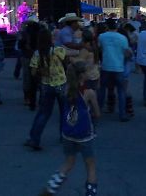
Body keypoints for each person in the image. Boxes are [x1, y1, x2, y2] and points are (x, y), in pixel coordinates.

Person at [39, 61, 100, 196]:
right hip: (85, 135)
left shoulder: (66, 89)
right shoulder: (89, 92)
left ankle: (50, 188)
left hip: (68, 133)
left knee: (68, 162)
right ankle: (90, 193)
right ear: (82, 75)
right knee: (90, 166)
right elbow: (97, 114)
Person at [25, 27, 67, 150]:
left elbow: (32, 72)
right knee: (64, 112)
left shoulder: (37, 53)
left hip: (46, 85)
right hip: (60, 83)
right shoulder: (58, 50)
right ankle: (64, 136)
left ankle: (35, 138)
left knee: (43, 113)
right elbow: (66, 60)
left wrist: (41, 72)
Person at [97, 19, 132, 122]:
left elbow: (99, 49)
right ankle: (122, 114)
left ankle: (98, 110)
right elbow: (126, 52)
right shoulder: (123, 38)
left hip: (106, 66)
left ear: (107, 27)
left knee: (102, 89)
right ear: (116, 27)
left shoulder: (102, 36)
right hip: (118, 67)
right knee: (121, 91)